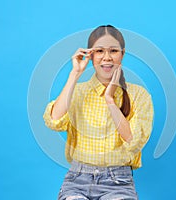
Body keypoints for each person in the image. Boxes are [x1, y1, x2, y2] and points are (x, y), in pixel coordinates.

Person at [43, 25, 154, 200]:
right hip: (77, 180)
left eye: (114, 51)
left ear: (122, 54)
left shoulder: (139, 95)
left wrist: (110, 100)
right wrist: (75, 73)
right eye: (100, 51)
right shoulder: (77, 91)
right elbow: (54, 121)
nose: (107, 57)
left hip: (119, 182)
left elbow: (134, 141)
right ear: (91, 55)